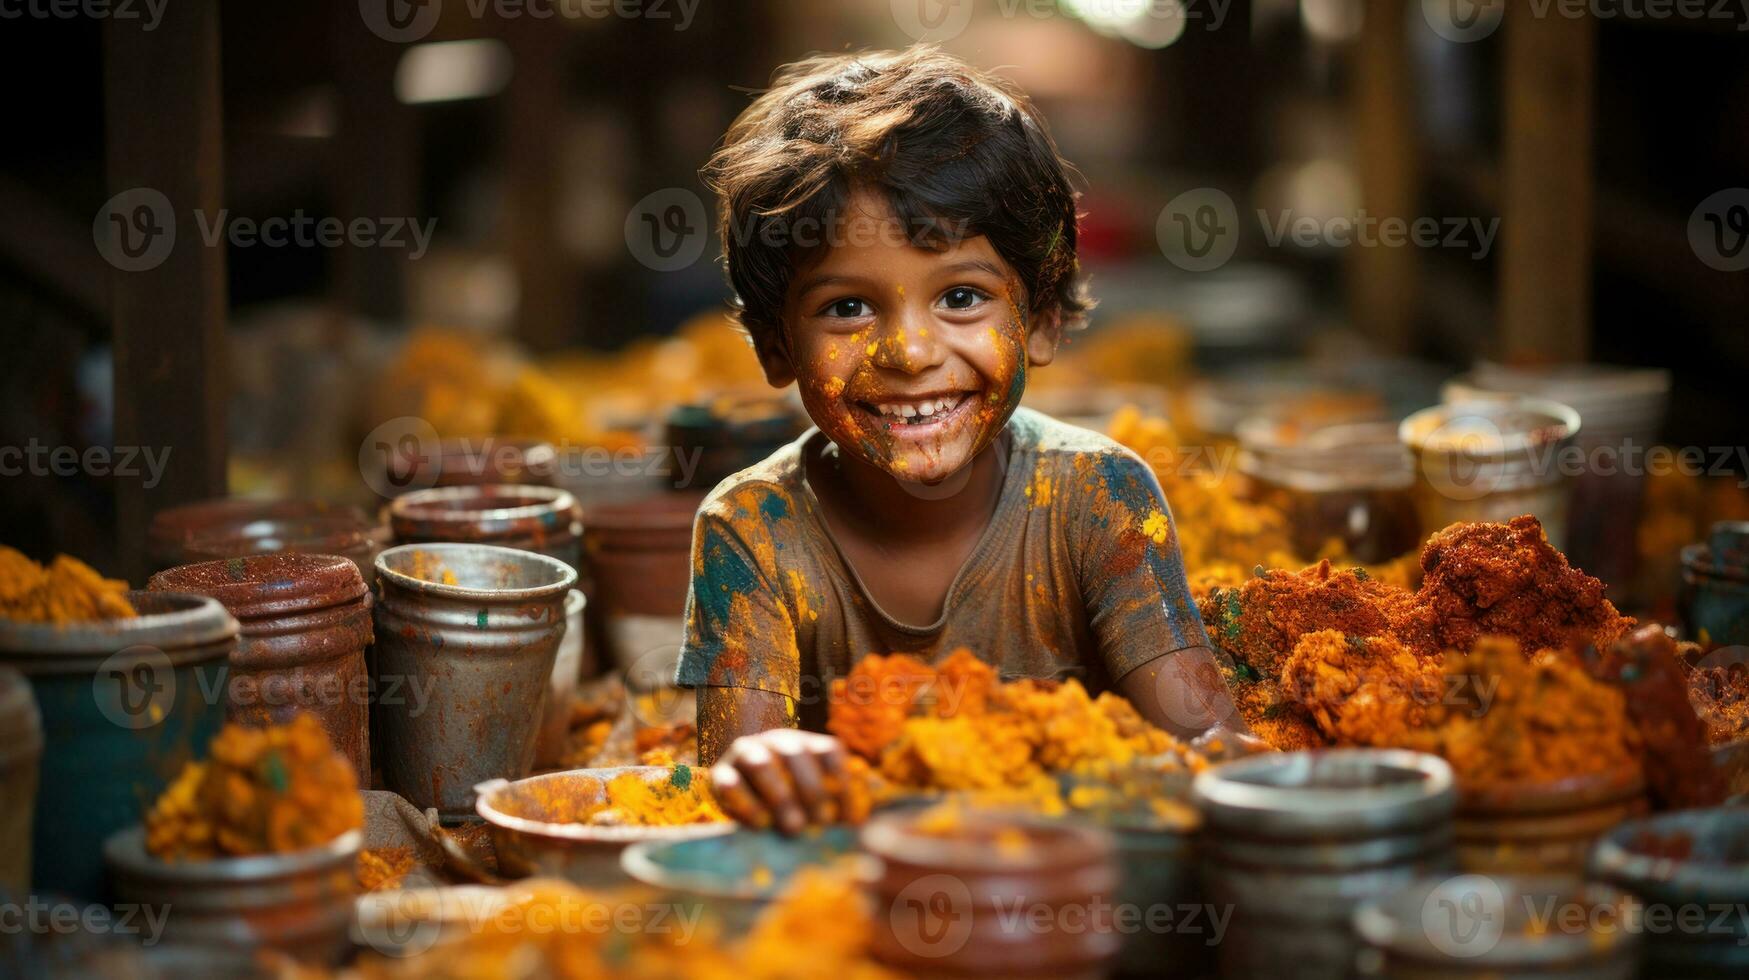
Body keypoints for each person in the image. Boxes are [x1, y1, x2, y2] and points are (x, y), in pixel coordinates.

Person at [680, 46, 1262, 833]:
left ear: (1044, 318)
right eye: (846, 309)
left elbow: (1204, 746)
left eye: (959, 297)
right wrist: (758, 767)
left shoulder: (1099, 498)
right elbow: (731, 780)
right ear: (775, 348)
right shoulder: (752, 531)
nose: (909, 353)